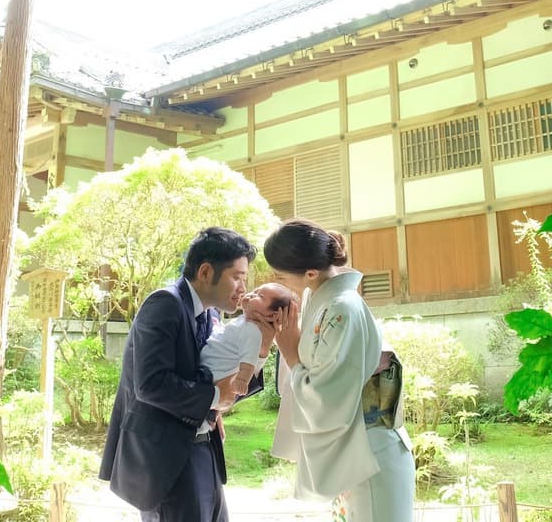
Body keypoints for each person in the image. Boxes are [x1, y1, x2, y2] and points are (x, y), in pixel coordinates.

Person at [100, 227, 266, 522]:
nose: (243, 287)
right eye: (237, 277)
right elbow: (151, 384)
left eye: (245, 278)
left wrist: (263, 343)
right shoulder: (164, 304)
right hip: (166, 461)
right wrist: (214, 396)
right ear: (205, 272)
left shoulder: (211, 314)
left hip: (203, 449)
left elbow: (214, 376)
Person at [264, 219, 415, 522]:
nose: (277, 279)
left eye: (280, 274)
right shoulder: (320, 300)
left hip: (370, 451)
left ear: (310, 273)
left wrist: (292, 353)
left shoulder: (342, 308)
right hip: (353, 450)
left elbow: (328, 397)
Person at [200, 282, 295, 396]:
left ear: (273, 315)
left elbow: (249, 359)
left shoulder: (253, 331)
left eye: (260, 296)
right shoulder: (244, 321)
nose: (252, 295)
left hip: (215, 373)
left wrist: (242, 380)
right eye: (255, 291)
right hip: (210, 368)